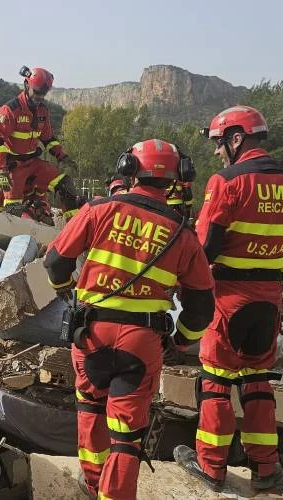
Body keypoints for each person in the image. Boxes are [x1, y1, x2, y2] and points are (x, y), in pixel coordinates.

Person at [44, 139, 215, 499]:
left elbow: (55, 262)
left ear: (128, 168)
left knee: (90, 410)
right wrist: (180, 341)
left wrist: (68, 291)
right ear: (175, 177)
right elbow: (201, 307)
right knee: (126, 437)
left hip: (91, 333)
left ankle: (92, 484)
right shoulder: (182, 233)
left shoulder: (98, 210)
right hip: (142, 341)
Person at [174, 105, 283, 492]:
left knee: (215, 382)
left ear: (237, 138)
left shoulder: (226, 183)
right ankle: (265, 470)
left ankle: (212, 467)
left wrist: (187, 292)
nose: (218, 152)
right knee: (257, 382)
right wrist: (277, 277)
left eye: (221, 144)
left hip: (228, 299)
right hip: (268, 302)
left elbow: (205, 248)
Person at [0, 66, 84, 222]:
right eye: (37, 92)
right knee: (12, 210)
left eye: (43, 94)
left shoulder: (42, 111)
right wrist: (1, 170)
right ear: (26, 85)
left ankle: (73, 228)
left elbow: (48, 139)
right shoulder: (9, 111)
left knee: (65, 184)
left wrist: (63, 156)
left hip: (33, 163)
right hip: (14, 166)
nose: (39, 97)